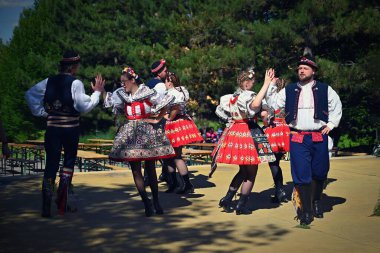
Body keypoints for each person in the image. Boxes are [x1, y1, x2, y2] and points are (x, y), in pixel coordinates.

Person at [265, 48, 342, 226]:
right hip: (298, 136)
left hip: (318, 136)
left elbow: (336, 106)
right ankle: (306, 211)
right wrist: (269, 85)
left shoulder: (325, 89)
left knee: (320, 172)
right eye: (299, 68)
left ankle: (316, 201)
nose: (301, 70)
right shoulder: (289, 90)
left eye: (305, 68)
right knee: (301, 175)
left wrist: (331, 125)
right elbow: (273, 104)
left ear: (313, 71)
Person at [25, 50, 105, 217]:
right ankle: (62, 203)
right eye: (76, 66)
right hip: (70, 129)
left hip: (52, 129)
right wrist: (97, 93)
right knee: (68, 163)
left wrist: (45, 113)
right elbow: (84, 106)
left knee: (51, 165)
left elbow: (30, 95)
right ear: (72, 67)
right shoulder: (75, 83)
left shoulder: (49, 81)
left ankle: (46, 207)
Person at [104, 66, 175, 217]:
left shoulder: (147, 92)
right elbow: (111, 103)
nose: (123, 85)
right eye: (121, 82)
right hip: (130, 134)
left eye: (124, 81)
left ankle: (156, 200)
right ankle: (146, 202)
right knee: (135, 170)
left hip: (147, 132)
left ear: (132, 80)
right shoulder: (122, 95)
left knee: (150, 168)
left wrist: (156, 118)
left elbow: (166, 103)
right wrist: (101, 91)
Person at [211, 68, 276, 215]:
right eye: (252, 82)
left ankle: (227, 198)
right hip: (248, 132)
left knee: (243, 170)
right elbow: (254, 106)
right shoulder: (247, 95)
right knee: (251, 172)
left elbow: (225, 113)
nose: (253, 84)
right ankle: (241, 205)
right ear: (246, 83)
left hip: (236, 131)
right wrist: (266, 84)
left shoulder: (233, 96)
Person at [163, 72, 204, 194]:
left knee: (175, 156)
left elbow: (174, 109)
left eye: (165, 81)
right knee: (171, 157)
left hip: (174, 124)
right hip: (179, 123)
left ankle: (186, 184)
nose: (165, 84)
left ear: (169, 82)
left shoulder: (173, 93)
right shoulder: (180, 91)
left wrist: (168, 117)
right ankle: (175, 183)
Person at [261, 78, 290, 204]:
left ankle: (279, 190)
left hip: (273, 129)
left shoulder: (270, 98)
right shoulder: (288, 97)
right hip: (284, 129)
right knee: (277, 161)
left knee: (273, 162)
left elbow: (264, 117)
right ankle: (280, 191)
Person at [146, 59, 170, 182]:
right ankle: (165, 173)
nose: (167, 72)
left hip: (147, 118)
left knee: (150, 148)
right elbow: (161, 103)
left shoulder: (148, 83)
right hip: (157, 119)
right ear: (159, 73)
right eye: (165, 70)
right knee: (161, 147)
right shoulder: (160, 85)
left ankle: (148, 177)